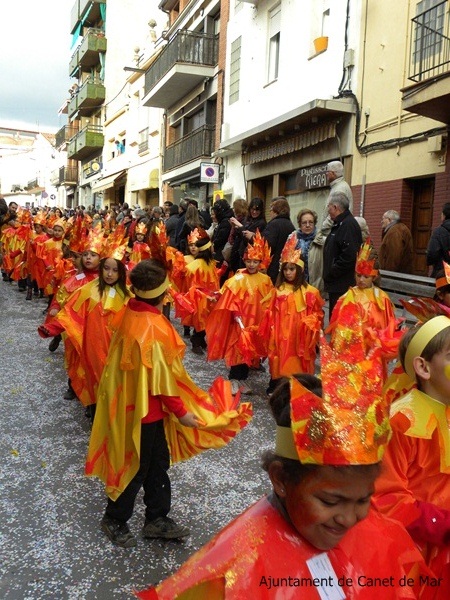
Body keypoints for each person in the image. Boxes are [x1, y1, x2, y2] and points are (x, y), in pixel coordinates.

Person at [138, 327, 430, 600]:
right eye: (330, 501)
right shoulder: (234, 569)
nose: (349, 518)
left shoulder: (384, 537)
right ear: (280, 479)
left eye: (364, 499)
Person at [85, 259, 252, 548]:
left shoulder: (131, 312)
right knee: (137, 466)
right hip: (145, 412)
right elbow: (160, 381)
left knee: (156, 464)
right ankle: (115, 517)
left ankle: (157, 517)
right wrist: (182, 412)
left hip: (132, 406)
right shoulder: (152, 326)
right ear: (160, 294)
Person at [372, 316, 450, 594]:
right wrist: (442, 525)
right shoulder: (402, 421)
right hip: (414, 550)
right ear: (424, 368)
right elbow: (386, 496)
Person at [206, 231, 275, 395]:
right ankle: (234, 379)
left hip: (256, 323)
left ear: (261, 262)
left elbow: (269, 300)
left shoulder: (266, 281)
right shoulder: (237, 279)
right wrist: (235, 313)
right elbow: (230, 297)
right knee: (238, 348)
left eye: (255, 261)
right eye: (249, 261)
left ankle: (241, 379)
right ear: (244, 260)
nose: (251, 265)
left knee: (250, 350)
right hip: (240, 323)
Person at [326, 239, 401, 379]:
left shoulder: (382, 299)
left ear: (374, 276)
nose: (361, 280)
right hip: (352, 350)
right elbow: (337, 326)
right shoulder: (347, 297)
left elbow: (388, 326)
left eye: (366, 277)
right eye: (358, 275)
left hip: (373, 349)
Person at [259, 234, 324, 395]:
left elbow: (317, 314)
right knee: (279, 359)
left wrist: (313, 323)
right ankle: (278, 385)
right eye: (286, 269)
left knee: (298, 360)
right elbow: (270, 314)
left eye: (292, 269)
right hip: (281, 335)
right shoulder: (278, 291)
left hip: (299, 337)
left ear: (300, 269)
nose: (288, 273)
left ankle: (300, 386)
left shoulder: (310, 292)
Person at [323, 192, 362, 318]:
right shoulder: (340, 224)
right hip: (336, 284)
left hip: (341, 285)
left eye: (328, 206)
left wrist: (332, 272)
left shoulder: (348, 225)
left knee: (338, 321)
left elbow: (349, 256)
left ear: (335, 207)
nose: (328, 210)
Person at [287, 208, 325, 293]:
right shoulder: (292, 238)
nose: (307, 225)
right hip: (295, 286)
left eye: (311, 222)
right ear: (299, 224)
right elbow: (284, 261)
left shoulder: (322, 240)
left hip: (315, 287)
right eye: (304, 222)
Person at [260, 197, 295, 284]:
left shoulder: (273, 224)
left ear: (276, 211)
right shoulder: (291, 225)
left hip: (273, 268)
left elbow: (266, 245)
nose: (270, 212)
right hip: (285, 267)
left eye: (271, 210)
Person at [229, 197, 266, 270]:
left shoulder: (262, 223)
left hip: (251, 258)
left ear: (261, 211)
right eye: (253, 209)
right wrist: (236, 228)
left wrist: (240, 226)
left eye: (257, 210)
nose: (254, 212)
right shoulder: (247, 219)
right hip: (241, 254)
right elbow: (241, 236)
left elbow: (249, 239)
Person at [321, 160, 353, 233]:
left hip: (334, 231)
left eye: (327, 171)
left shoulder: (339, 189)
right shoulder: (339, 186)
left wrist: (324, 227)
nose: (326, 174)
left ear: (333, 173)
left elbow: (335, 212)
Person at [427, 202, 450, 277]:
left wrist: (429, 260)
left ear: (444, 215)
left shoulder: (439, 232)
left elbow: (432, 253)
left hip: (442, 274)